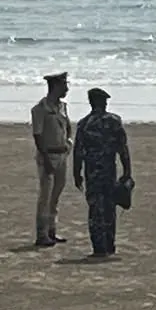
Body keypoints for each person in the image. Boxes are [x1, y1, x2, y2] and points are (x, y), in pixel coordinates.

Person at [72, 87, 132, 259]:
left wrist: (77, 174)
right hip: (109, 171)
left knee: (95, 209)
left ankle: (99, 247)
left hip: (93, 173)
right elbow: (123, 148)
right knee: (109, 209)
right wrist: (127, 171)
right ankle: (110, 245)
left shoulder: (84, 124)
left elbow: (78, 152)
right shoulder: (114, 121)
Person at [30, 71, 72, 247]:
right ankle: (41, 234)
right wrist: (46, 158)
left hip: (62, 154)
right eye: (64, 85)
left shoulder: (62, 107)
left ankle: (52, 230)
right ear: (55, 87)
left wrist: (69, 143)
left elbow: (67, 127)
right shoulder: (40, 109)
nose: (67, 89)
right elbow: (38, 135)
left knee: (56, 195)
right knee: (45, 197)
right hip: (48, 155)